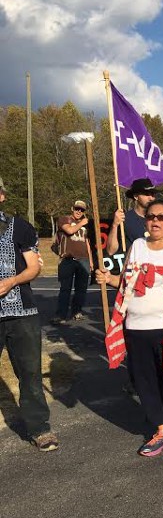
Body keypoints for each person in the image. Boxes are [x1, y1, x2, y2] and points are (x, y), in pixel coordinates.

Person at [96, 199, 163, 462]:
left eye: (162, 217)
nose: (155, 221)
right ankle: (161, 430)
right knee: (147, 383)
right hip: (136, 327)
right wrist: (108, 279)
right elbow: (128, 282)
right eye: (150, 216)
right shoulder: (137, 246)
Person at [0, 177, 59, 451]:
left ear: (2, 196)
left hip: (21, 312)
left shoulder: (19, 227)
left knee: (30, 372)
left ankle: (39, 428)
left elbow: (34, 267)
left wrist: (10, 281)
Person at [52, 200, 93, 325]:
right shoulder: (64, 219)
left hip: (84, 259)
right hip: (67, 259)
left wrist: (91, 260)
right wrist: (81, 223)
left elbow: (87, 243)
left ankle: (77, 312)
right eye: (77, 208)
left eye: (82, 210)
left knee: (81, 289)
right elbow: (69, 231)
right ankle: (61, 315)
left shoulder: (85, 225)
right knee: (65, 289)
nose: (79, 211)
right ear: (72, 208)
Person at [107, 178, 157, 256]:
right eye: (146, 194)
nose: (151, 198)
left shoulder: (159, 219)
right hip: (134, 265)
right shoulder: (124, 219)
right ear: (136, 196)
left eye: (153, 194)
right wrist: (115, 225)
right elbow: (111, 250)